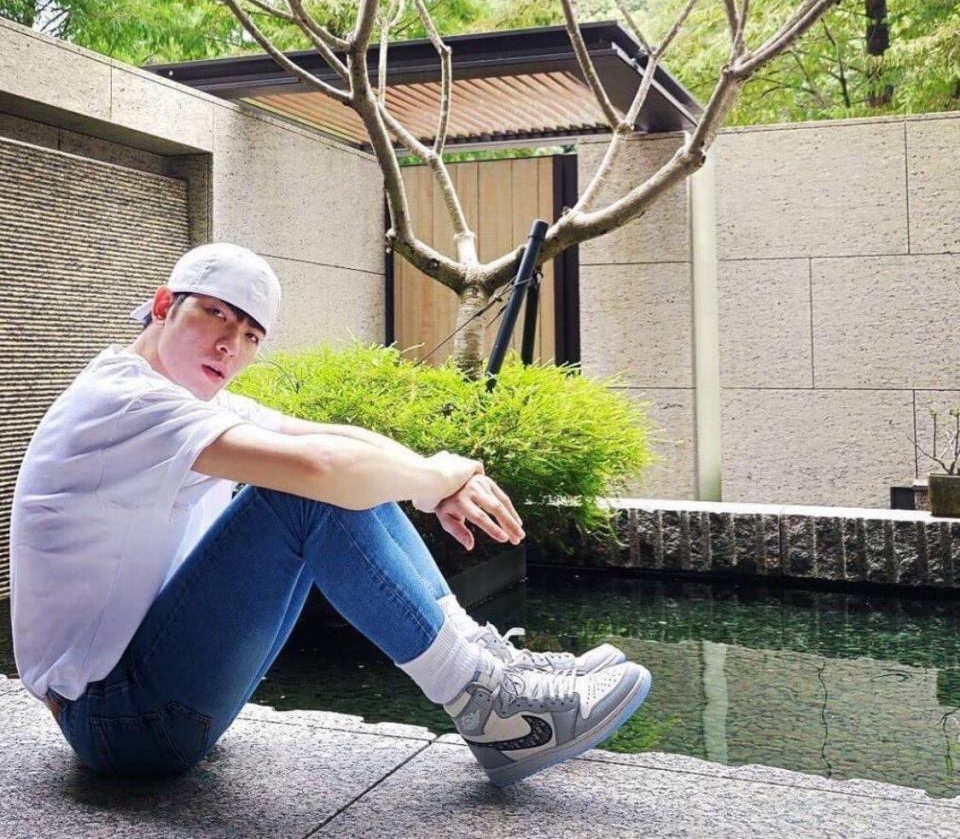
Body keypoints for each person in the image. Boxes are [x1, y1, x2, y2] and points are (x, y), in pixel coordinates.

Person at [10, 242, 652, 788]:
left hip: (143, 705)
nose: (230, 345)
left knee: (351, 477)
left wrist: (436, 477)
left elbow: (333, 439)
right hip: (118, 722)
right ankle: (486, 702)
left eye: (251, 336)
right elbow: (321, 469)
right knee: (308, 492)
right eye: (215, 314)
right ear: (162, 306)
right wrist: (434, 481)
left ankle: (491, 669)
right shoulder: (126, 402)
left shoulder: (180, 399)